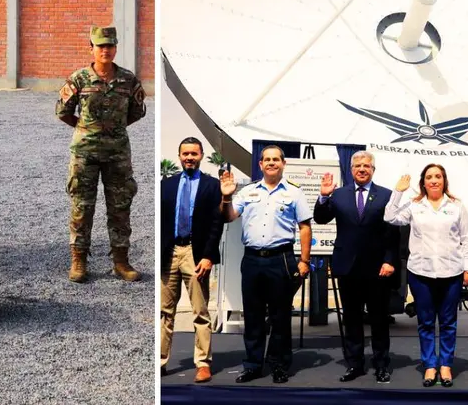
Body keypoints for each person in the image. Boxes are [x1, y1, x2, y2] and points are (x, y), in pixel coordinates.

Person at [56, 25, 147, 283]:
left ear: (116, 48)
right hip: (85, 153)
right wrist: (86, 129)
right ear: (92, 48)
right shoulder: (79, 79)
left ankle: (120, 262)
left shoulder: (129, 81)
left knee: (120, 208)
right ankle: (79, 261)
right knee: (82, 208)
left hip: (117, 154)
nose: (105, 50)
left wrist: (113, 130)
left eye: (110, 46)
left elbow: (137, 112)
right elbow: (62, 111)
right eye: (100, 46)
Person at [220, 146, 311, 384]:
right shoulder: (247, 192)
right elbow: (228, 216)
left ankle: (280, 365)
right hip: (251, 260)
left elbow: (305, 227)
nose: (271, 163)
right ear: (260, 165)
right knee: (253, 316)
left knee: (281, 316)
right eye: (267, 159)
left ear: (283, 164)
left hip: (281, 258)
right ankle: (252, 365)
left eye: (276, 159)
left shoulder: (294, 193)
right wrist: (227, 196)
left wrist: (304, 260)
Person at [385, 164, 468, 387]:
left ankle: (445, 365)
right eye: (429, 177)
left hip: (451, 273)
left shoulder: (456, 206)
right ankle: (429, 365)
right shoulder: (415, 206)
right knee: (425, 322)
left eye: (438, 176)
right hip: (421, 273)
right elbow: (389, 217)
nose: (434, 180)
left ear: (444, 180)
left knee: (448, 322)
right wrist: (398, 192)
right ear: (423, 182)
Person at [314, 150, 399, 383]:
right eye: (358, 166)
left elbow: (393, 233)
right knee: (351, 319)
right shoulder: (338, 195)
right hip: (347, 267)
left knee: (379, 319)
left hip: (377, 268)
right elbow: (321, 219)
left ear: (373, 169)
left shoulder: (387, 196)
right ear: (351, 170)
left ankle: (382, 364)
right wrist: (323, 197)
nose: (362, 169)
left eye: (367, 166)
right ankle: (355, 364)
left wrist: (390, 260)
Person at [159, 137, 225, 383]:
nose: (189, 157)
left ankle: (203, 362)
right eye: (185, 154)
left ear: (200, 156)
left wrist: (208, 256)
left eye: (194, 154)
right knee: (165, 312)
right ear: (179, 156)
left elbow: (216, 224)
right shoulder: (166, 185)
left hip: (195, 255)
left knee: (200, 310)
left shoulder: (211, 186)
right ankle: (161, 360)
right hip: (170, 254)